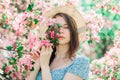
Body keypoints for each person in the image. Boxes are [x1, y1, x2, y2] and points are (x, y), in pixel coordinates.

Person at [28, 6, 90, 80]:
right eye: (56, 27)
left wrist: (45, 66)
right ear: (50, 31)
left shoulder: (80, 63)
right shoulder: (45, 58)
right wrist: (38, 61)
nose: (60, 31)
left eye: (66, 27)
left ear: (73, 32)